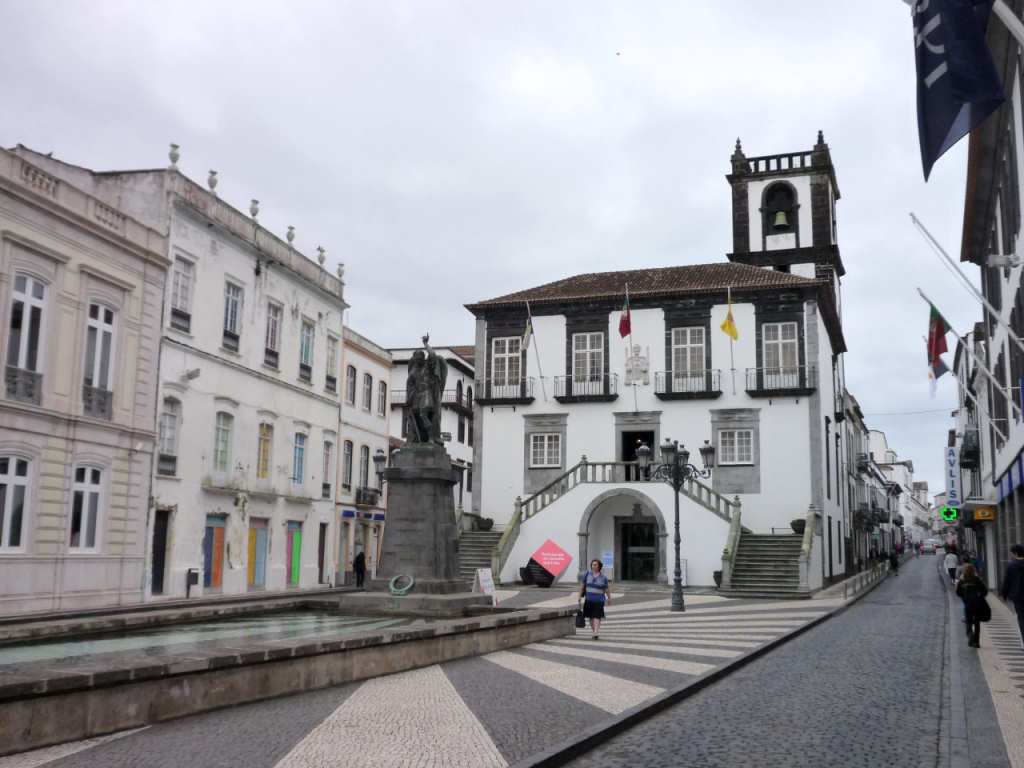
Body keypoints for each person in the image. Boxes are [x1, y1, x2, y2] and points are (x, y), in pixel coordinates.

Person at [956, 563, 989, 648]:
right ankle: (976, 642)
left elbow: (958, 592)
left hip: (967, 604)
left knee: (968, 622)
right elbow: (985, 591)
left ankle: (970, 635)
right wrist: (980, 597)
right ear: (973, 570)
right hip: (977, 604)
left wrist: (964, 597)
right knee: (977, 623)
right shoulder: (977, 579)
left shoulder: (962, 581)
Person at [579, 559, 611, 640]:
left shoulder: (603, 577)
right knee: (590, 617)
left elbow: (606, 589)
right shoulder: (587, 575)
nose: (593, 566)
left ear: (599, 566)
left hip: (599, 600)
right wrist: (579, 596)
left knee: (597, 616)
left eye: (595, 564)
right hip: (588, 600)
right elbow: (582, 586)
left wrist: (609, 598)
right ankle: (594, 631)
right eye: (592, 564)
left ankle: (596, 632)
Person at [1000, 544, 1024, 650]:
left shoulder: (1011, 566)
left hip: (1017, 596)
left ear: (1016, 553)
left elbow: (1007, 582)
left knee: (1021, 619)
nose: (1011, 555)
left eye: (1012, 553)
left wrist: (1004, 595)